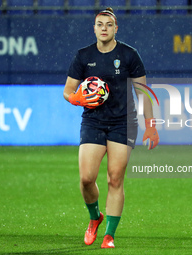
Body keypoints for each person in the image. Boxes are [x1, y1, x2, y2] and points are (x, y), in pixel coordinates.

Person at [63, 7, 159, 249]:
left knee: (115, 179)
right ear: (94, 28)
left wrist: (151, 125)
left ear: (116, 28)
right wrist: (79, 99)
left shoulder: (129, 55)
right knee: (86, 179)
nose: (104, 28)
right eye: (99, 24)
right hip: (93, 121)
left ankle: (109, 235)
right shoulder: (83, 56)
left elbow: (143, 93)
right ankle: (95, 217)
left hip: (123, 123)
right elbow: (68, 92)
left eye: (108, 24)